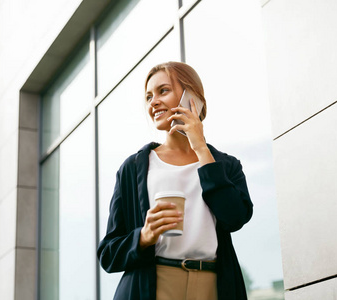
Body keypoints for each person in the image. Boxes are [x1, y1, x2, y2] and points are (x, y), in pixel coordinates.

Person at [97, 61, 253, 300]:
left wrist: (200, 148)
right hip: (154, 286)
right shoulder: (133, 168)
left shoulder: (226, 165)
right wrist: (144, 235)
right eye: (149, 96)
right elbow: (108, 253)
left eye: (163, 91)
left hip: (212, 286)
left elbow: (235, 218)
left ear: (192, 96)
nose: (153, 102)